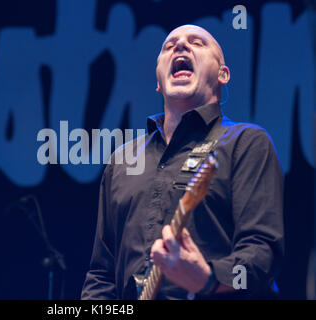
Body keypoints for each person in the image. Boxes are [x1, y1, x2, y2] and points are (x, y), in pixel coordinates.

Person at [81, 25, 284, 300]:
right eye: (169, 45)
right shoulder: (123, 160)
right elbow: (101, 274)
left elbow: (263, 253)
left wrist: (209, 278)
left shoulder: (246, 143)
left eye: (197, 43)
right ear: (158, 81)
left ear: (223, 74)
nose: (180, 46)